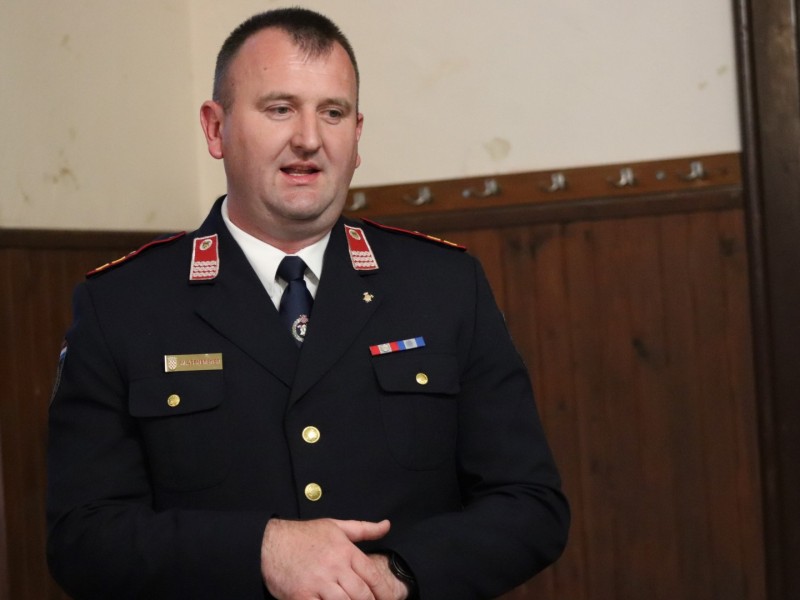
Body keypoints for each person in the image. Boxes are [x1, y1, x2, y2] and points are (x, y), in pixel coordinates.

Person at [46, 7, 569, 599]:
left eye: (333, 112)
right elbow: (82, 538)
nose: (309, 139)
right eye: (279, 109)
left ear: (357, 135)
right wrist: (260, 550)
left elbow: (531, 504)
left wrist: (397, 574)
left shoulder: (444, 285)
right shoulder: (124, 305)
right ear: (215, 129)